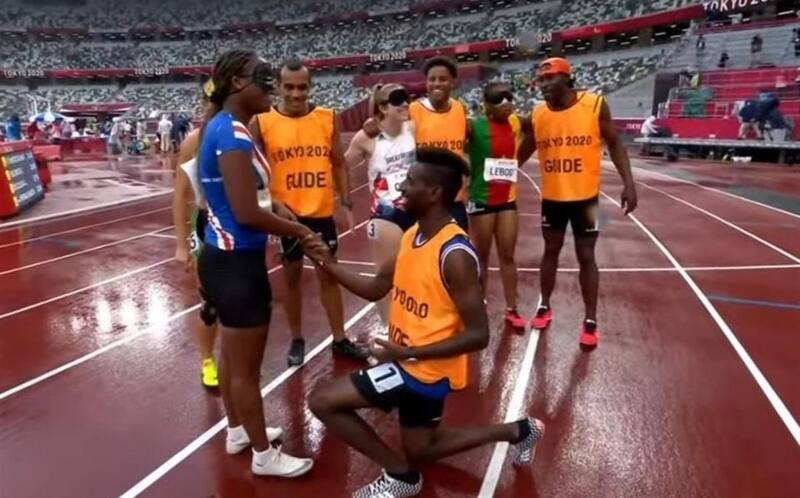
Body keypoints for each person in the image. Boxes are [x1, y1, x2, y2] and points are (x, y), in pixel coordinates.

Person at [307, 147, 544, 498]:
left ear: (433, 192)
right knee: (422, 448)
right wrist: (327, 264)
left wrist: (408, 352)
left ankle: (400, 477)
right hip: (407, 360)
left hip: (424, 370)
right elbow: (375, 288)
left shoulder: (455, 255)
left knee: (323, 401)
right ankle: (520, 430)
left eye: (410, 181)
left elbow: (479, 335)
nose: (401, 187)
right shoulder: (412, 236)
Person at [196, 49, 314, 477]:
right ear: (237, 83)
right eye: (264, 79)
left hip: (222, 258)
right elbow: (246, 213)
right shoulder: (232, 133)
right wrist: (300, 232)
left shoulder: (222, 126)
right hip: (238, 266)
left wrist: (277, 207)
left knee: (232, 360)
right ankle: (264, 455)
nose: (272, 88)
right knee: (246, 371)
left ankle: (237, 431)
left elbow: (249, 198)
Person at [250, 59, 367, 366]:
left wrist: (346, 203)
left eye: (302, 87)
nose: (296, 94)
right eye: (289, 87)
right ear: (278, 87)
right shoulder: (262, 121)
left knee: (329, 276)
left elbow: (338, 163)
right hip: (285, 217)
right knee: (291, 280)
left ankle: (340, 339)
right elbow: (252, 170)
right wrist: (269, 204)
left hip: (320, 214)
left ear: (310, 86)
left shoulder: (327, 117)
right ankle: (297, 338)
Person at [518, 57, 638, 349]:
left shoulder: (594, 105)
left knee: (587, 256)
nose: (544, 85)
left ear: (567, 78)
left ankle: (590, 319)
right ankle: (544, 305)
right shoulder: (538, 114)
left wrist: (629, 183)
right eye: (541, 80)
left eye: (550, 78)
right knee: (550, 251)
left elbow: (615, 143)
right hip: (552, 199)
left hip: (587, 199)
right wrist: (499, 175)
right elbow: (523, 150)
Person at [345, 83, 416, 324]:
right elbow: (340, 168)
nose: (405, 104)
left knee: (416, 273)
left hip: (417, 211)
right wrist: (346, 204)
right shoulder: (366, 138)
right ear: (383, 107)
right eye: (397, 100)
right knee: (387, 277)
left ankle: (414, 326)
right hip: (386, 214)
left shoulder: (412, 128)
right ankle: (388, 328)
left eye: (405, 98)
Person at [173, 79, 221, 388]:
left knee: (242, 297)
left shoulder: (243, 132)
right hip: (205, 224)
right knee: (209, 301)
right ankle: (207, 359)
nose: (214, 107)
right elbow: (180, 195)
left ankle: (238, 356)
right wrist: (181, 244)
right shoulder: (194, 141)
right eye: (210, 101)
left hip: (237, 226)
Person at [465, 82, 525, 329]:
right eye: (499, 99)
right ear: (487, 105)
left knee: (508, 256)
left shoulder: (516, 123)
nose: (506, 103)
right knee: (481, 256)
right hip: (481, 199)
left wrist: (522, 158)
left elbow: (538, 127)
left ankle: (512, 309)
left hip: (507, 200)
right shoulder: (473, 125)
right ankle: (478, 305)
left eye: (509, 98)